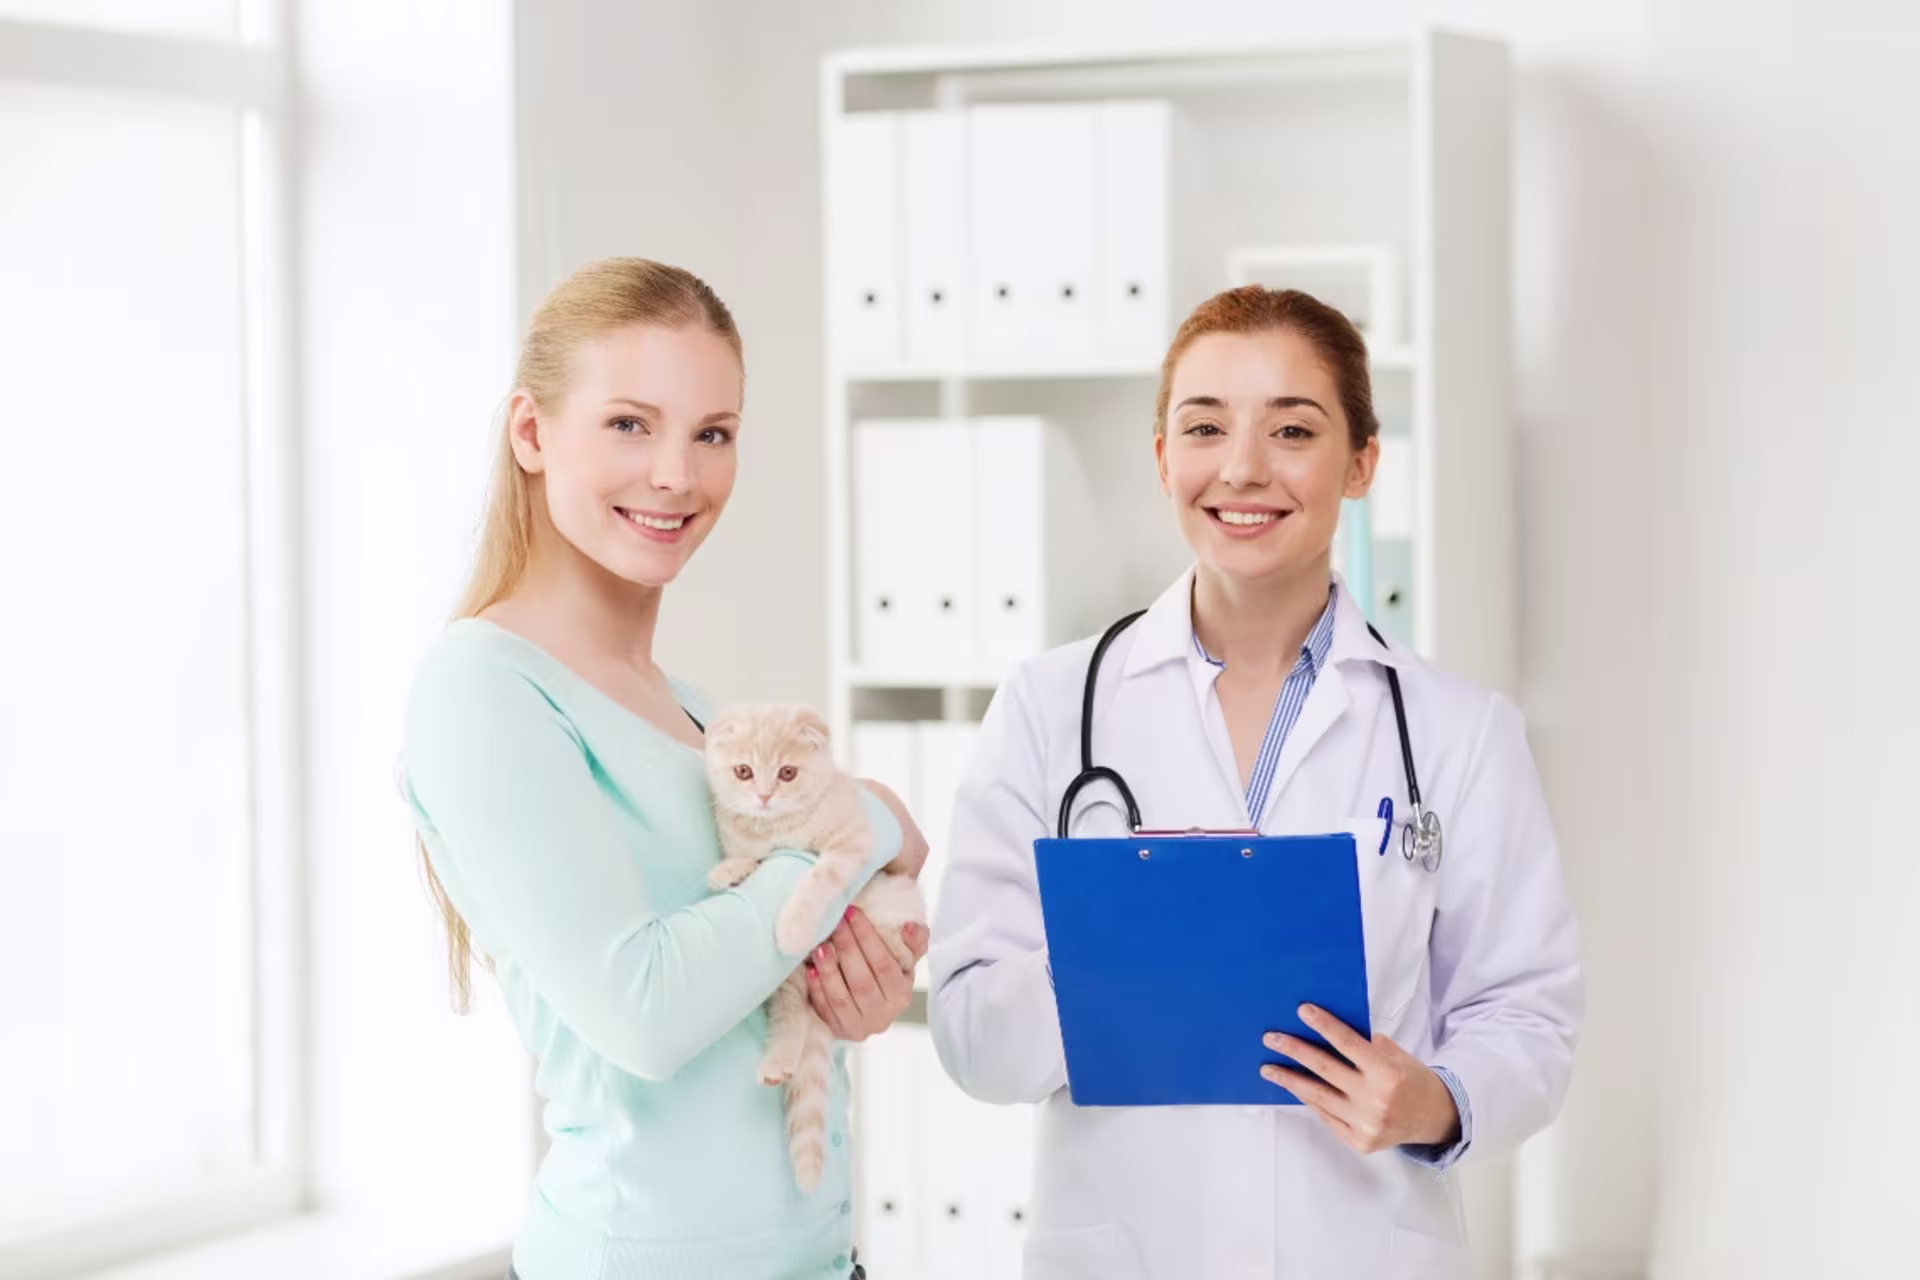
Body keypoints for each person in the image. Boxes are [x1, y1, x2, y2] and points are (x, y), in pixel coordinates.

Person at [927, 285, 1583, 1279]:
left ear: (1361, 460)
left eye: (1292, 428)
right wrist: (1116, 958)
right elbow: (971, 1033)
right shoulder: (1049, 706)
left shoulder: (1458, 731)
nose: (1242, 467)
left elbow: (1529, 1014)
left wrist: (1437, 1099)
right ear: (1161, 457)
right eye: (1204, 426)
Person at [398, 257, 928, 1280]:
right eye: (631, 424)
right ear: (532, 433)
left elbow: (750, 978)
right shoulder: (483, 687)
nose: (677, 474)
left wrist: (852, 982)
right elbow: (642, 1009)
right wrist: (860, 822)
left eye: (712, 433)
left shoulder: (692, 711)